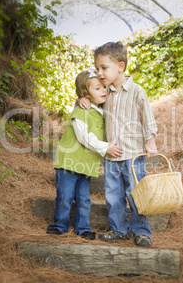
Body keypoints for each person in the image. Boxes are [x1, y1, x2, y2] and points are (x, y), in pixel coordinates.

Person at [78, 42, 158, 247]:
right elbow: (90, 97)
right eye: (97, 68)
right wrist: (81, 100)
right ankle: (118, 229)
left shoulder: (137, 92)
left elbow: (147, 118)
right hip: (112, 156)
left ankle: (141, 231)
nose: (99, 72)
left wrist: (151, 140)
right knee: (113, 196)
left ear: (120, 66)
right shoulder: (104, 93)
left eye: (104, 68)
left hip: (133, 156)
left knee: (136, 195)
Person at [46, 68, 123, 239]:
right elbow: (84, 137)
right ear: (85, 94)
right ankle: (60, 225)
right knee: (65, 196)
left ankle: (83, 227)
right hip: (69, 161)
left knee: (84, 198)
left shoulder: (103, 113)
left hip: (86, 164)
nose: (103, 91)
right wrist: (106, 147)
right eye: (98, 88)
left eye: (104, 87)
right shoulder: (81, 110)